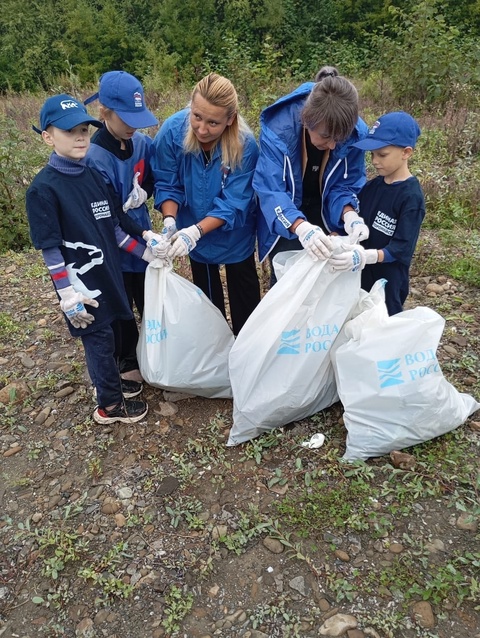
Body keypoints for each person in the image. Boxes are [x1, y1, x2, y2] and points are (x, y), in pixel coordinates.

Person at [26, 94, 155, 425]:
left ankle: (113, 382)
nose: (80, 137)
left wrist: (147, 254)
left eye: (84, 129)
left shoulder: (94, 174)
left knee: (111, 331)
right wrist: (66, 294)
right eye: (69, 132)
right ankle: (109, 406)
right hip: (80, 285)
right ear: (47, 136)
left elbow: (114, 230)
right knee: (98, 339)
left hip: (107, 274)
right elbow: (51, 248)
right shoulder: (43, 189)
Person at [151, 72, 261, 335]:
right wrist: (170, 221)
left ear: (229, 119)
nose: (201, 129)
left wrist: (196, 231)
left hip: (234, 235)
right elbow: (167, 183)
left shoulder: (245, 145)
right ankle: (215, 351)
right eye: (197, 116)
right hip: (193, 231)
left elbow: (235, 203)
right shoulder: (172, 131)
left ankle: (247, 351)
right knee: (208, 301)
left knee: (244, 297)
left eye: (213, 122)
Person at [84, 71, 167, 395]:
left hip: (142, 233)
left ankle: (154, 352)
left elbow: (151, 178)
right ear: (105, 113)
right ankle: (125, 359)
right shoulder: (94, 158)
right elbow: (110, 215)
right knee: (120, 301)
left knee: (147, 295)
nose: (134, 125)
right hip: (113, 243)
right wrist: (141, 240)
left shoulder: (142, 144)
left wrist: (144, 192)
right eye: (126, 118)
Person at [253, 71, 369, 284]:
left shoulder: (354, 134)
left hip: (326, 212)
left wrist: (350, 215)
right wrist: (300, 227)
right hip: (286, 215)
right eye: (325, 136)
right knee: (287, 284)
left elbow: (346, 185)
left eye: (339, 138)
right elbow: (271, 190)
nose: (333, 145)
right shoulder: (277, 130)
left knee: (328, 281)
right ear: (306, 120)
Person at [329, 111, 425, 315]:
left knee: (383, 328)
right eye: (372, 154)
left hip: (388, 283)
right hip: (361, 276)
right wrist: (343, 236)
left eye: (382, 155)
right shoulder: (372, 187)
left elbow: (402, 248)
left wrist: (369, 256)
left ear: (406, 152)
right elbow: (360, 220)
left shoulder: (411, 197)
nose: (374, 161)